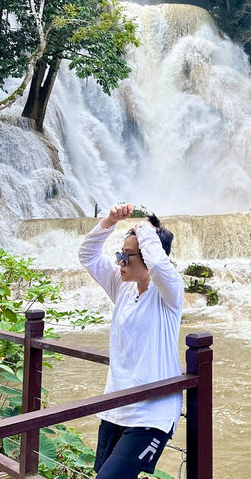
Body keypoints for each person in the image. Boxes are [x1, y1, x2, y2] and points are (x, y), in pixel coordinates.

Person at [78, 203, 184, 479]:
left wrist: (147, 230)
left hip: (152, 415)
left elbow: (160, 265)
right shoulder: (121, 286)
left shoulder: (168, 294)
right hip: (116, 408)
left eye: (127, 256)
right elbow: (87, 255)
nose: (119, 262)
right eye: (119, 254)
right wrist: (109, 221)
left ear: (147, 257)